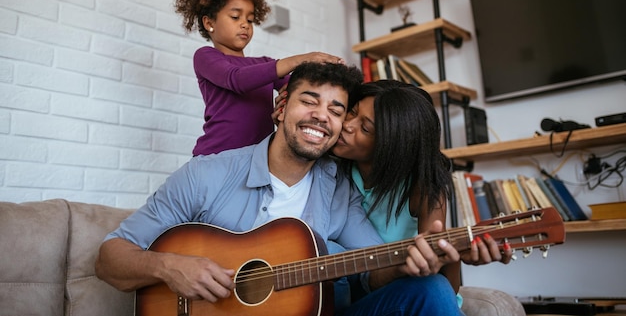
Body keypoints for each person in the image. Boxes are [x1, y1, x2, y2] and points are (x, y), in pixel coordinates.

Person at [95, 62, 464, 316]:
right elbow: (109, 257)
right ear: (281, 107)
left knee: (429, 291)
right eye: (309, 101)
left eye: (337, 110)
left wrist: (409, 265)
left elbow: (371, 269)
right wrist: (168, 266)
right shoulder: (206, 175)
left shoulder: (338, 188)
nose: (322, 115)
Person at [274, 79, 513, 308]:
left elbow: (444, 279)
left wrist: (456, 256)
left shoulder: (422, 186)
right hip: (348, 287)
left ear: (391, 144)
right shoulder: (333, 166)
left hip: (404, 290)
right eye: (352, 112)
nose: (348, 125)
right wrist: (285, 126)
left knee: (434, 287)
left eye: (365, 127)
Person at [174, 0, 344, 156]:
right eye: (235, 17)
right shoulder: (205, 56)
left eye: (250, 20)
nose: (245, 25)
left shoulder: (264, 64)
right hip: (215, 157)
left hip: (257, 160)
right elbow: (236, 79)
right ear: (209, 22)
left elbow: (298, 89)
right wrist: (299, 59)